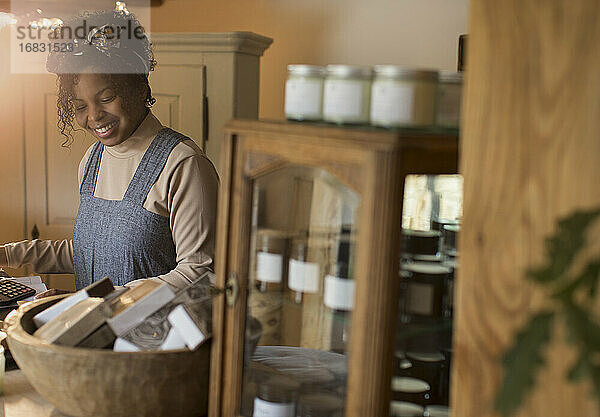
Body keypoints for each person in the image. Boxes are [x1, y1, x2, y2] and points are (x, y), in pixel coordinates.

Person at [0, 10, 218, 293]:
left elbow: (199, 274)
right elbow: (93, 251)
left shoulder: (183, 164)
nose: (94, 116)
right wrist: (9, 254)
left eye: (106, 98)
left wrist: (96, 302)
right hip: (96, 335)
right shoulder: (93, 159)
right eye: (80, 107)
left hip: (155, 336)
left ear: (139, 88)